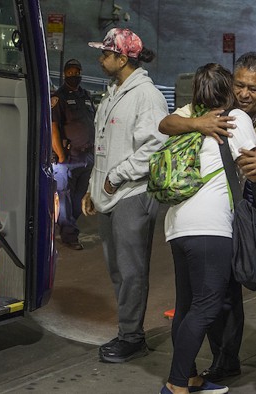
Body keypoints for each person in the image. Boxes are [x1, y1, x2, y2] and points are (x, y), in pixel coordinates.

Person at [159, 52, 256, 387]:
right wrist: (200, 123)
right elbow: (166, 123)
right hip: (222, 214)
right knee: (220, 296)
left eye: (253, 88)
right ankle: (224, 362)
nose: (244, 93)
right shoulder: (209, 112)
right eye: (239, 84)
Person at [160, 63, 256, 394]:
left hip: (178, 225)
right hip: (211, 227)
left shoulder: (189, 117)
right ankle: (177, 385)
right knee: (205, 308)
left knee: (187, 306)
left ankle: (188, 376)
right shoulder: (236, 119)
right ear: (230, 90)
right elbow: (255, 167)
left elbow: (163, 124)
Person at [81, 27, 168, 363]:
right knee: (117, 268)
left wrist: (114, 178)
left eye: (105, 53)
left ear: (122, 58)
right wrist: (93, 185)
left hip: (132, 193)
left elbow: (156, 146)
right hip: (109, 193)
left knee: (131, 270)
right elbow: (103, 147)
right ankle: (128, 330)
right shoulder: (113, 92)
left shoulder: (146, 96)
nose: (100, 58)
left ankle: (131, 336)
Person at [50, 58, 96, 250]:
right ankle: (69, 235)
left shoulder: (85, 95)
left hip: (86, 157)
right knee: (65, 197)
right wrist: (60, 155)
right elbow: (53, 128)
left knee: (78, 199)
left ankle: (67, 225)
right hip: (67, 158)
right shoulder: (58, 97)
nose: (74, 75)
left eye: (77, 71)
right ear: (64, 74)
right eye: (70, 72)